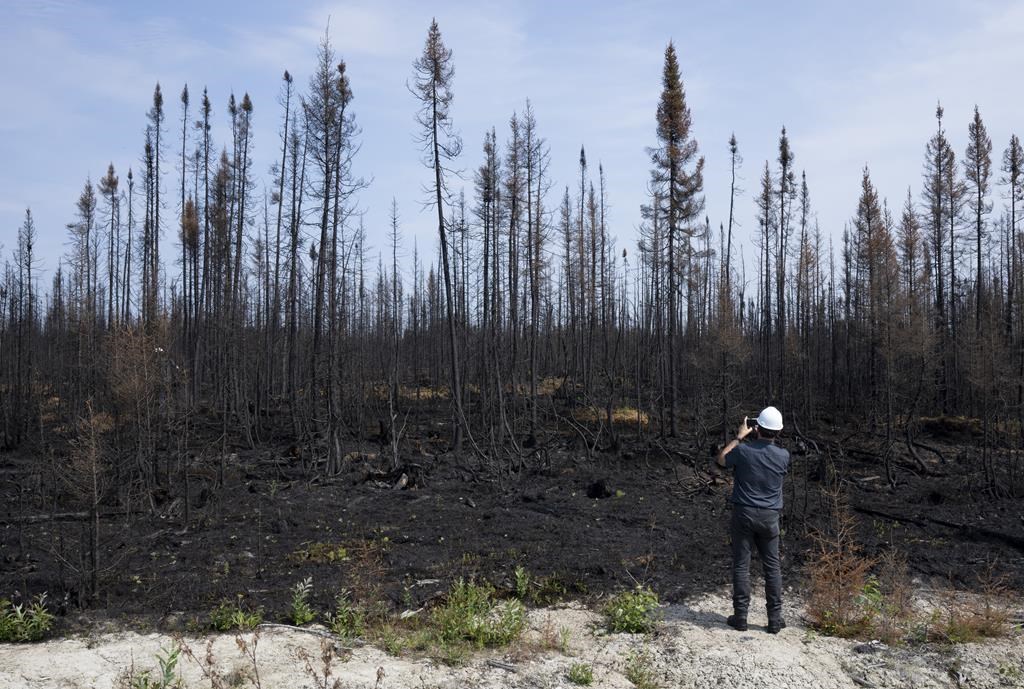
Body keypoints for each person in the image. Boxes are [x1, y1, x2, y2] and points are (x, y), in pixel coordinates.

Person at [714, 406, 790, 634]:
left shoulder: (744, 451)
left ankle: (741, 617)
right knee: (772, 567)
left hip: (744, 514)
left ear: (757, 428)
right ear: (778, 431)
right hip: (770, 516)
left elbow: (721, 460)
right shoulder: (784, 456)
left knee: (741, 565)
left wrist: (739, 437)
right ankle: (774, 619)